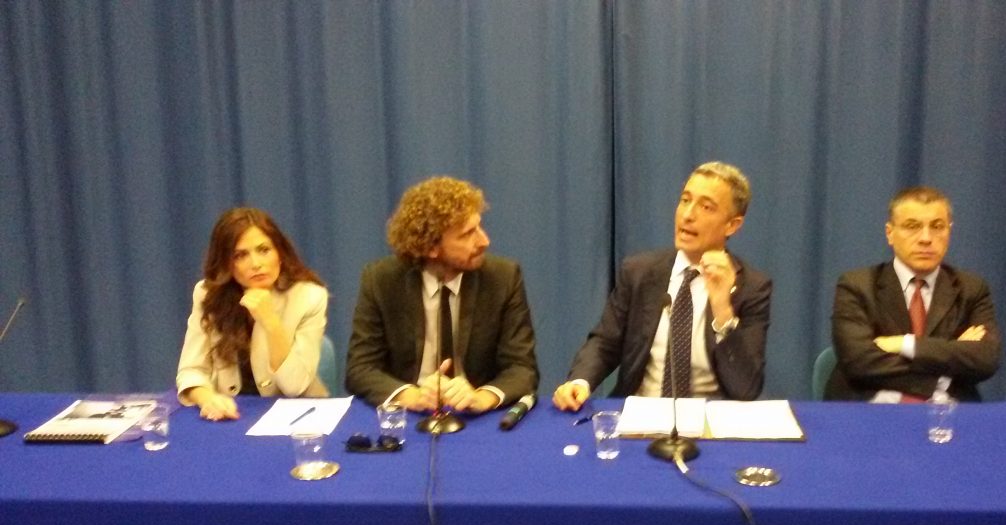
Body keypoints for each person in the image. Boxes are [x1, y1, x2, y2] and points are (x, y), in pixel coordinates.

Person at [552, 162, 772, 412]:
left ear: (732, 225)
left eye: (706, 207)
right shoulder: (639, 272)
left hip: (709, 420)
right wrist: (580, 381)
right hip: (641, 413)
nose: (688, 215)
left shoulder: (751, 287)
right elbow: (605, 343)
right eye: (685, 200)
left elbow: (746, 389)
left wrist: (723, 309)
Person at [345, 176, 538, 413]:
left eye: (479, 227)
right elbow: (360, 369)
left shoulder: (503, 278)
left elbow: (522, 368)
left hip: (475, 414)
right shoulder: (381, 280)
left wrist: (481, 397)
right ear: (430, 247)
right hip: (410, 414)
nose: (484, 241)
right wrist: (412, 396)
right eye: (467, 234)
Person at [825, 186, 1001, 402]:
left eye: (937, 226)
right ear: (890, 233)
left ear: (949, 231)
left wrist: (905, 344)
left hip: (947, 412)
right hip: (869, 407)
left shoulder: (971, 288)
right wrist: (946, 367)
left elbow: (985, 359)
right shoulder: (857, 285)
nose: (926, 238)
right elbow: (858, 361)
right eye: (912, 226)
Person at [177, 207, 329, 421]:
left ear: (280, 254)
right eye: (240, 255)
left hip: (299, 418)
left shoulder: (309, 297)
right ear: (226, 263)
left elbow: (295, 386)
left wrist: (271, 323)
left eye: (264, 250)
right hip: (233, 417)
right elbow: (191, 371)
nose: (256, 264)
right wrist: (208, 398)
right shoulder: (207, 294)